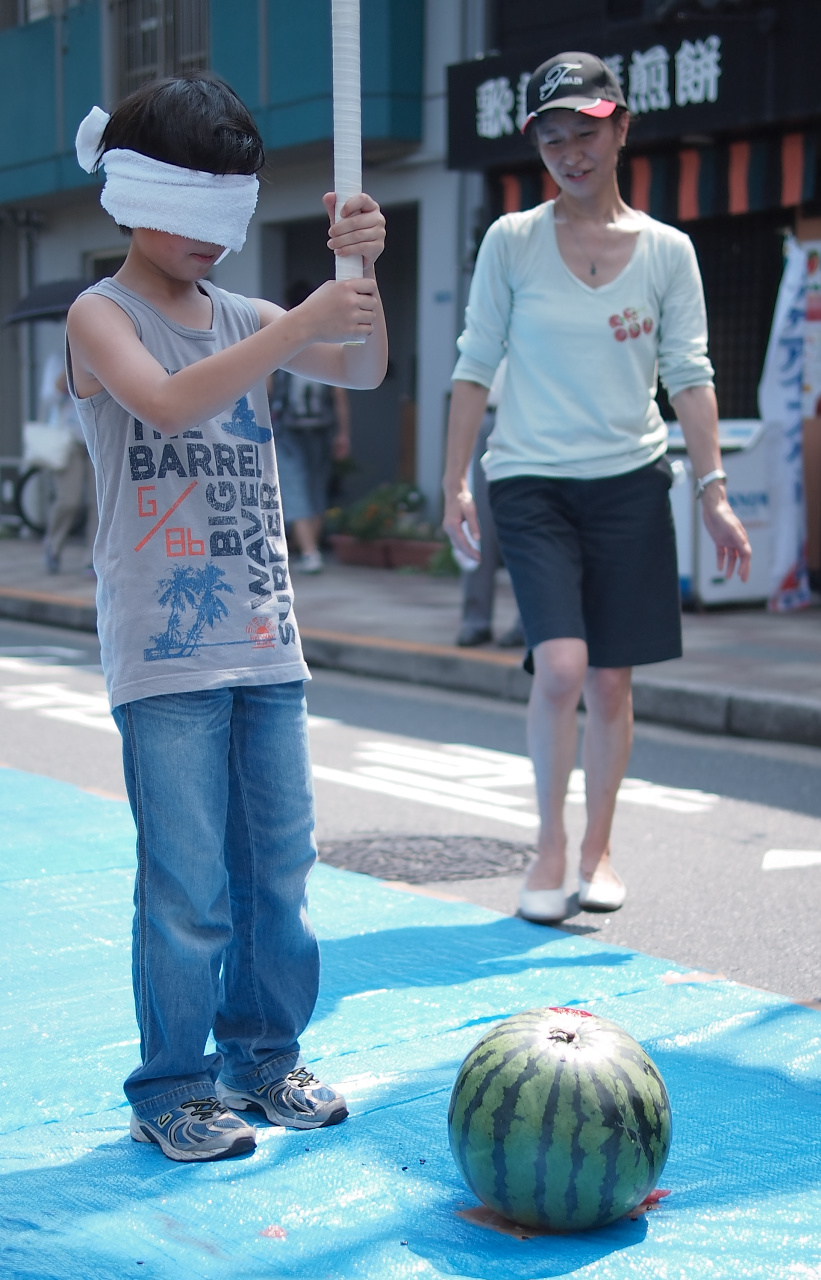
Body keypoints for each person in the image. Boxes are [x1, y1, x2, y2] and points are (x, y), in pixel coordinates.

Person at [65, 74, 387, 1162]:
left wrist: (361, 272)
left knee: (279, 874)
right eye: (191, 207)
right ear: (130, 195)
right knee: (187, 886)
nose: (213, 239)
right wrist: (302, 321)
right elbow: (167, 400)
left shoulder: (247, 317)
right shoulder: (101, 315)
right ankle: (172, 1083)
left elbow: (365, 365)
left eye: (228, 212)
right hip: (164, 660)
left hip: (266, 644)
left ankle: (264, 1056)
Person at [443, 53, 750, 923]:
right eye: (552, 138)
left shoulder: (668, 252)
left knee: (612, 682)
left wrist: (713, 489)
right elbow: (474, 363)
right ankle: (549, 844)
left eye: (585, 133)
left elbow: (689, 374)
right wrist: (453, 479)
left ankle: (598, 849)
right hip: (531, 480)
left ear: (621, 131)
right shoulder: (511, 241)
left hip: (630, 483)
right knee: (563, 666)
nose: (570, 153)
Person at [269, 280, 351, 574]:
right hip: (318, 428)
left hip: (292, 428)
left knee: (299, 487)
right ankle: (310, 550)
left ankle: (309, 551)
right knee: (312, 487)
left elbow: (267, 384)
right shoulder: (326, 337)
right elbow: (339, 394)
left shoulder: (282, 334)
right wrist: (343, 433)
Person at [456, 358, 525, 648]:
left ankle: (528, 622)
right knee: (477, 521)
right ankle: (476, 619)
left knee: (527, 522)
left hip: (526, 420)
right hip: (484, 414)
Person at [40, 355, 98, 574]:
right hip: (68, 440)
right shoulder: (57, 359)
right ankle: (52, 546)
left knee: (99, 502)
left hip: (96, 437)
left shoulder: (99, 351)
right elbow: (50, 396)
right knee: (68, 500)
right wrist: (72, 361)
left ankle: (92, 558)